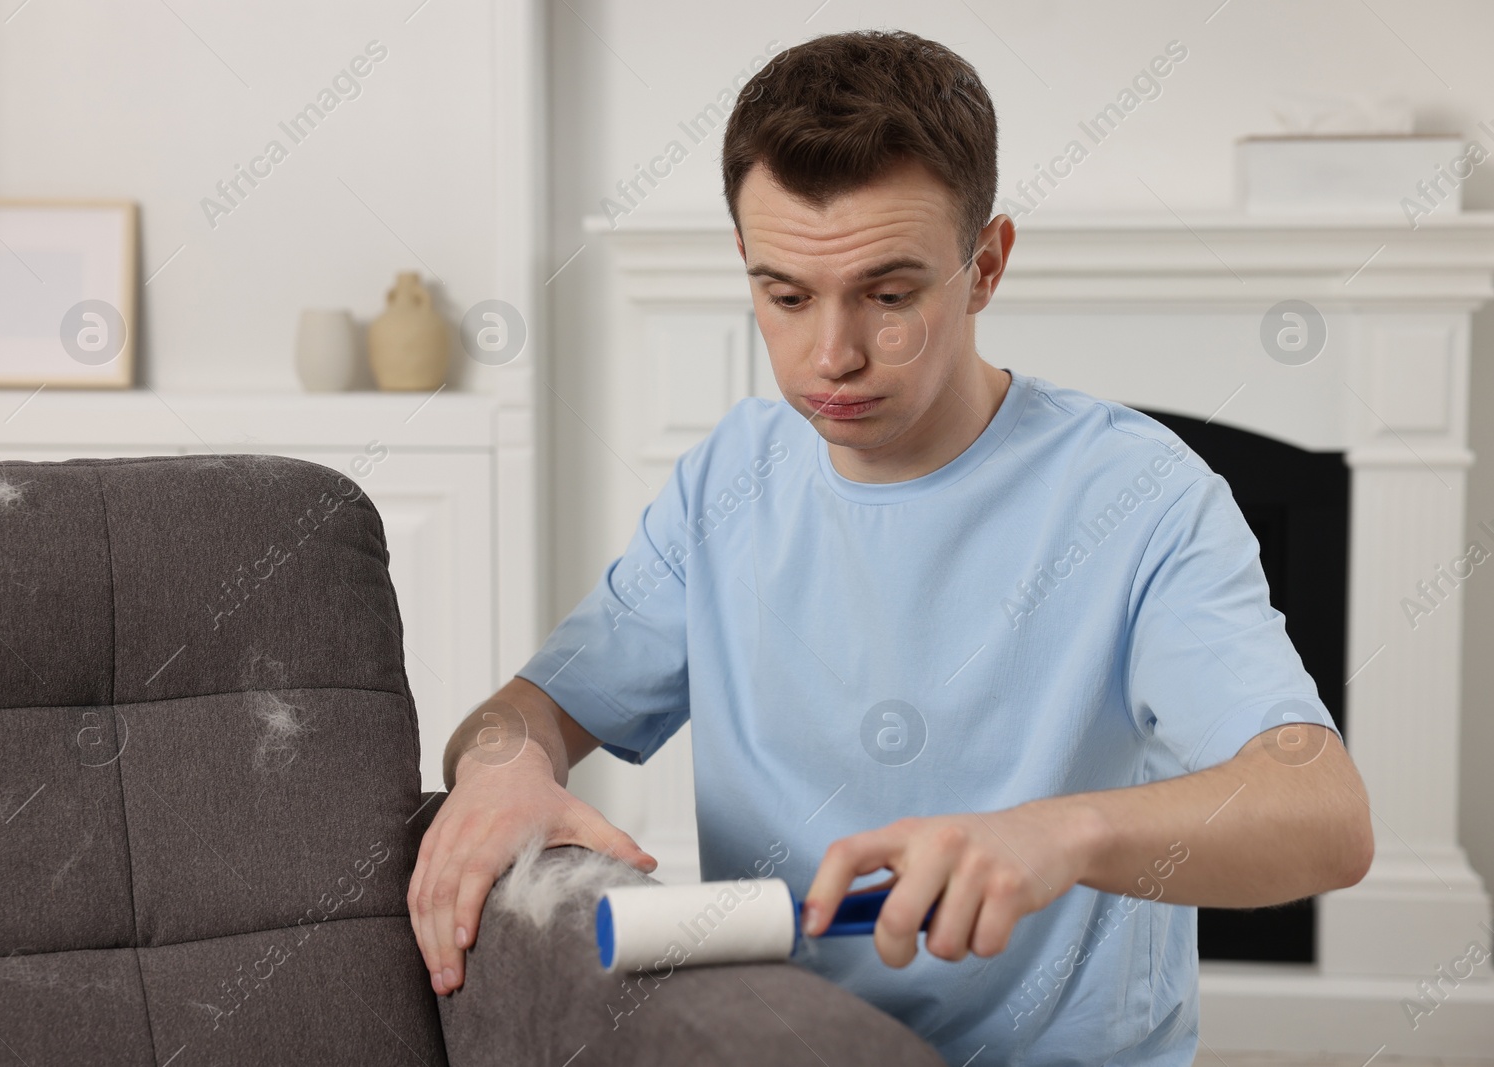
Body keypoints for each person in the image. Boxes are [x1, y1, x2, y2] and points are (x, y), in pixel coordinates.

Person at [407, 28, 1373, 1064]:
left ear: (986, 265)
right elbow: (525, 714)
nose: (832, 354)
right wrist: (501, 769)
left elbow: (1322, 811)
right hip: (787, 1044)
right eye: (785, 295)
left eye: (889, 294)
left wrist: (1063, 834)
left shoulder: (1141, 493)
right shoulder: (726, 479)